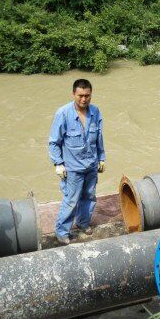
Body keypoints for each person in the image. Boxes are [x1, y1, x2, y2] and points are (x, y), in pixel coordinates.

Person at [49, 79, 106, 244]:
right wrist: (58, 163)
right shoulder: (63, 113)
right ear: (73, 93)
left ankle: (83, 223)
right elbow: (54, 142)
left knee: (89, 196)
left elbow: (99, 137)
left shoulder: (95, 112)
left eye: (87, 96)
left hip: (91, 164)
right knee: (71, 199)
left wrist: (102, 157)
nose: (84, 99)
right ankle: (61, 232)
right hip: (72, 168)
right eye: (80, 95)